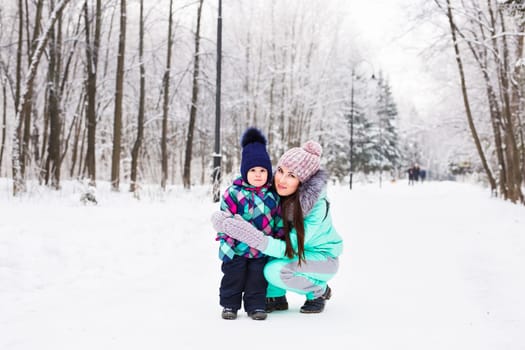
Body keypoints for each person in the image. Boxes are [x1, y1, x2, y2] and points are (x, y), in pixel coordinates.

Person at [212, 140, 343, 314]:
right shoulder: (278, 191)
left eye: (291, 175)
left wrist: (253, 237)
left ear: (303, 182)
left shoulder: (315, 208)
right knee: (264, 257)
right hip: (297, 256)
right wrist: (224, 220)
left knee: (274, 270)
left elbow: (290, 248)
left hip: (322, 259)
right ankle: (275, 296)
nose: (281, 179)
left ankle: (318, 291)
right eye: (280, 171)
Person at [214, 127, 284, 321]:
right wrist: (226, 243)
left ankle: (256, 306)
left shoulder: (272, 195)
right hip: (236, 248)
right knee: (233, 277)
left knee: (257, 279)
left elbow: (278, 220)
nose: (258, 174)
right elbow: (224, 221)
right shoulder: (233, 193)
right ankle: (230, 305)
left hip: (260, 249)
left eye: (262, 170)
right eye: (253, 170)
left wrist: (277, 238)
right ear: (245, 171)